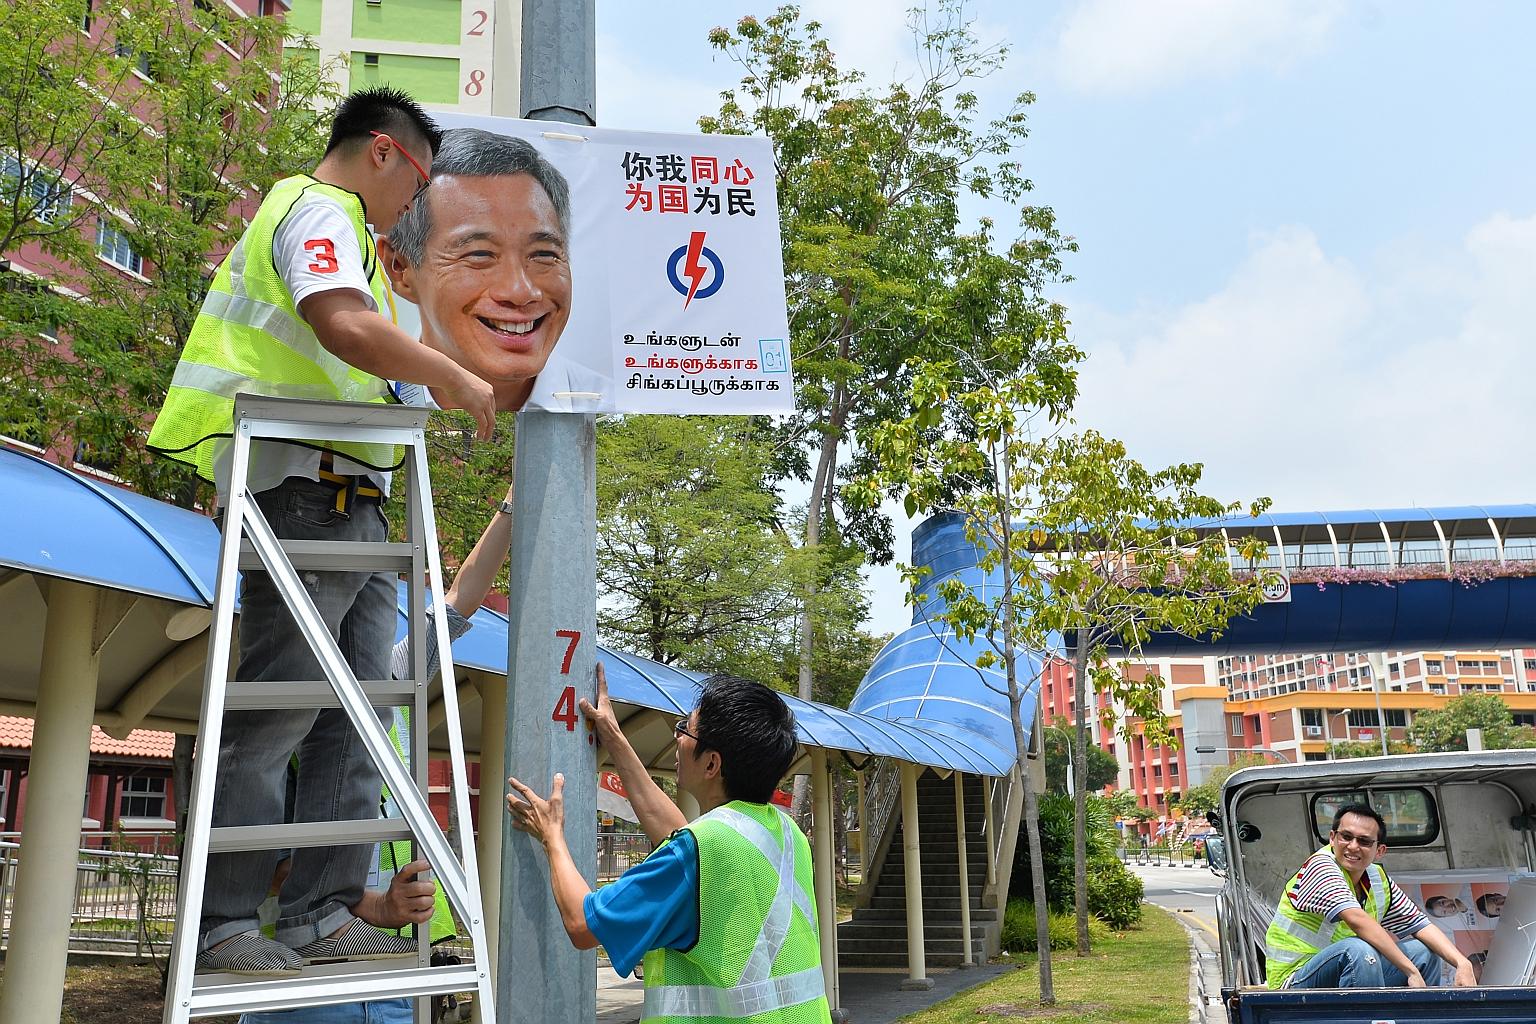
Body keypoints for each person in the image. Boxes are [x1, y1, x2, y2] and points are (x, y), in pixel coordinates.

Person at [148, 86, 498, 975]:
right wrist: (456, 379)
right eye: (417, 187)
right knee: (280, 713)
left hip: (358, 500)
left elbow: (380, 364)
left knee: (361, 720)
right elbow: (338, 324)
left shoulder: (366, 248)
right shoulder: (316, 209)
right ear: (384, 152)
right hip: (304, 489)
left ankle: (322, 911)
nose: (413, 209)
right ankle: (226, 922)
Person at [506, 669, 831, 1024]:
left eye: (685, 729)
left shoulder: (701, 848)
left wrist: (552, 837)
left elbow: (583, 925)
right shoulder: (784, 833)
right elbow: (682, 838)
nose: (677, 737)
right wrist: (614, 738)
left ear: (712, 763)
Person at [380, 127, 609, 413]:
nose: (520, 291)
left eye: (543, 255)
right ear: (400, 268)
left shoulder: (619, 413)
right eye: (479, 255)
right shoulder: (356, 410)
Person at [1265, 803, 1477, 990]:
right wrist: (1410, 971)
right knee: (1358, 949)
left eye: (1364, 841)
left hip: (1345, 970)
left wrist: (1462, 962)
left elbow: (1419, 923)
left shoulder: (1377, 878)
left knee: (1424, 952)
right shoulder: (1321, 866)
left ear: (1380, 850)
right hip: (1295, 980)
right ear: (1332, 838)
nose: (1353, 846)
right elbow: (1357, 920)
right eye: (1346, 837)